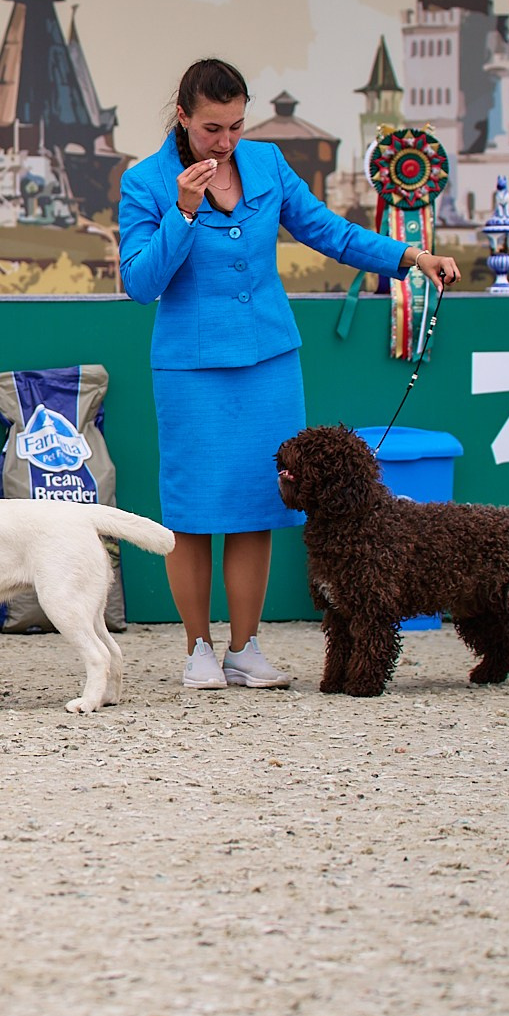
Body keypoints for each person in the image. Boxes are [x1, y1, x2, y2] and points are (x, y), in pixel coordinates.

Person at [118, 58, 461, 690]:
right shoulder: (146, 182)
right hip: (191, 368)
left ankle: (245, 650)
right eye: (212, 128)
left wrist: (409, 255)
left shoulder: (269, 164)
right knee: (192, 512)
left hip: (271, 359)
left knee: (258, 504)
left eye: (236, 127)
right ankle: (198, 650)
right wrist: (184, 213)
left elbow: (326, 230)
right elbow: (140, 283)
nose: (225, 143)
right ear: (183, 118)